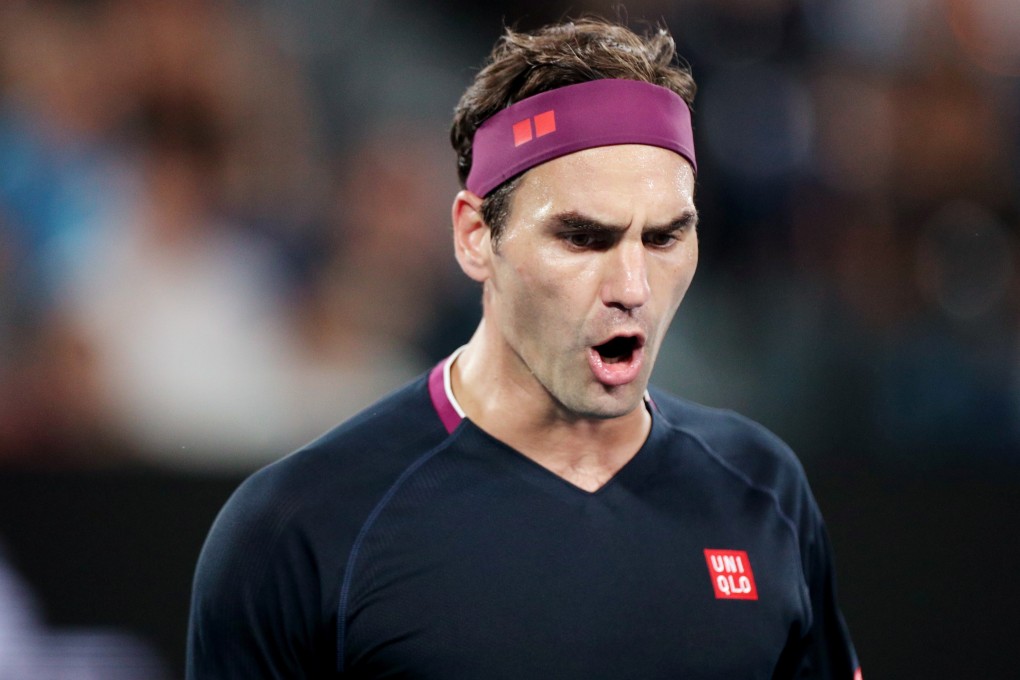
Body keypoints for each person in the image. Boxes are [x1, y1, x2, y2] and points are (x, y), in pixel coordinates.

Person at [187, 17, 861, 678]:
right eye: (583, 237)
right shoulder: (298, 529)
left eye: (663, 238)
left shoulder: (765, 492)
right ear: (476, 236)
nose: (632, 287)